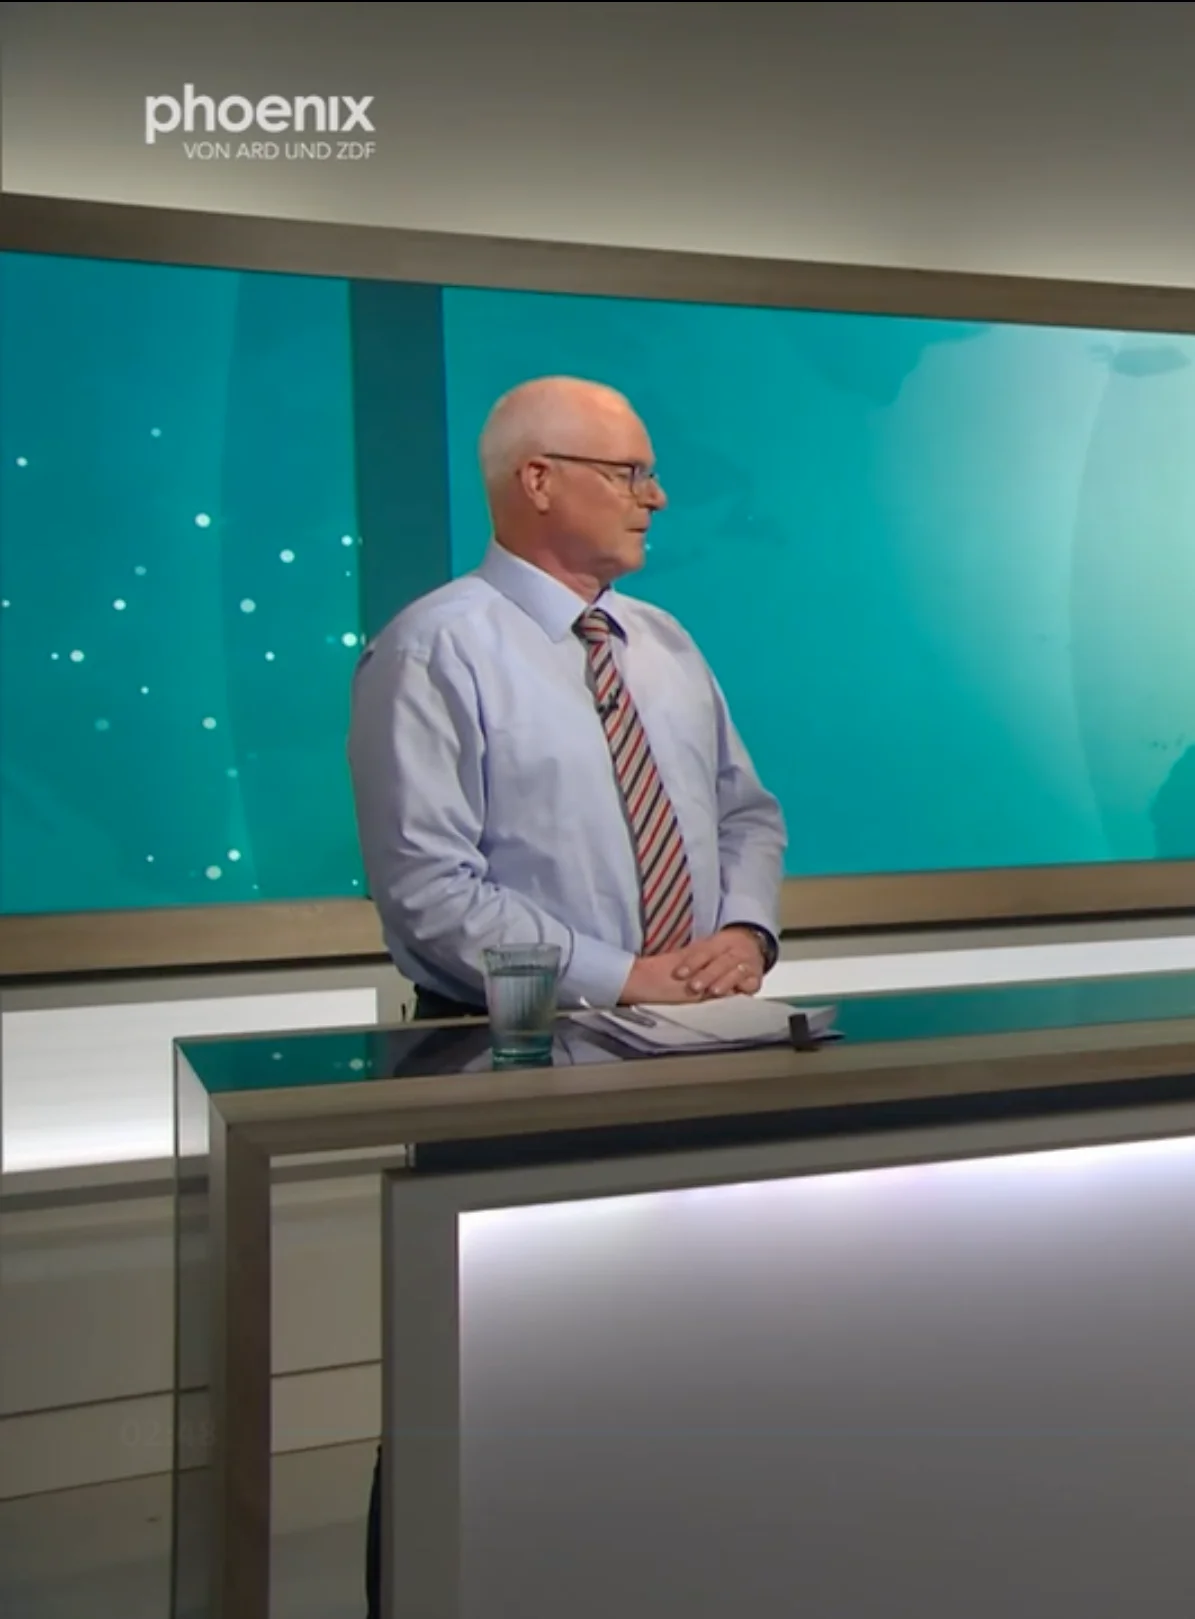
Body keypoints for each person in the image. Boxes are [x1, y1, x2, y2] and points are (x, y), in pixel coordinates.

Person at [344, 375, 788, 1614]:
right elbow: (428, 889)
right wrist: (619, 975)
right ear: (536, 480)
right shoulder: (434, 647)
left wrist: (743, 930)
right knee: (485, 1373)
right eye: (629, 471)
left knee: (671, 1361)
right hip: (515, 1060)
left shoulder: (667, 642)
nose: (658, 496)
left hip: (695, 1046)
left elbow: (747, 812)